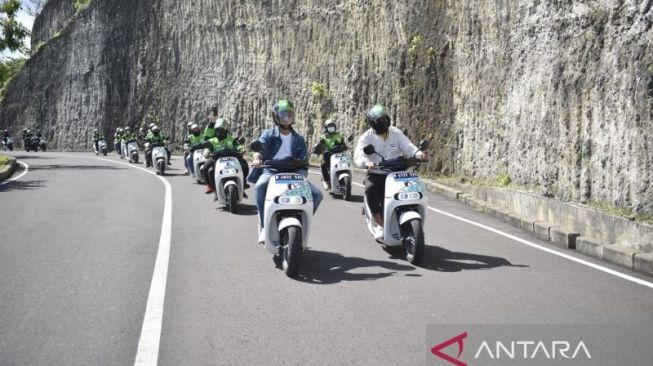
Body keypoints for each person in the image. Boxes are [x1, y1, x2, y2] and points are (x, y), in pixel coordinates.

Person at [247, 99, 323, 244]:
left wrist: (304, 167)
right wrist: (257, 157)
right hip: (271, 170)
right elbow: (260, 148)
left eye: (289, 114)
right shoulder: (269, 134)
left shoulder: (298, 138)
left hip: (293, 172)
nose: (287, 118)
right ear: (276, 116)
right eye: (283, 115)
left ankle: (301, 221)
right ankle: (264, 226)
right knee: (260, 186)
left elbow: (303, 158)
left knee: (317, 195)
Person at [354, 104, 427, 238]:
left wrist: (418, 153)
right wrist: (367, 162)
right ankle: (379, 222)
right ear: (372, 123)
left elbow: (408, 146)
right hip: (377, 172)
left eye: (385, 119)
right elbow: (358, 155)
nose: (383, 123)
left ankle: (410, 213)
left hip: (397, 172)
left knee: (413, 188)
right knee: (370, 189)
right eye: (379, 120)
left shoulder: (395, 132)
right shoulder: (366, 137)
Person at [317, 118, 346, 190]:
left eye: (332, 126)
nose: (331, 127)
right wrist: (320, 149)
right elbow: (320, 145)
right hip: (328, 155)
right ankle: (326, 181)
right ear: (326, 128)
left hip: (338, 155)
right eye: (329, 126)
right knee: (323, 164)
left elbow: (343, 144)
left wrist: (344, 146)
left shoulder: (339, 136)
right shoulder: (323, 137)